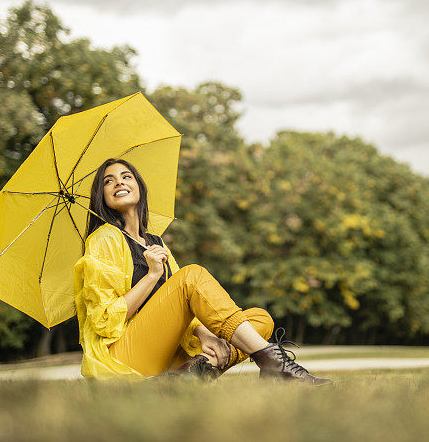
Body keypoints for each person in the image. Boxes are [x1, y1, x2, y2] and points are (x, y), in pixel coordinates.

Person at [73, 157, 331, 385]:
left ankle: (185, 376)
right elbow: (103, 321)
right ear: (102, 196)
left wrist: (204, 333)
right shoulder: (104, 239)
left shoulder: (156, 243)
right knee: (191, 275)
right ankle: (276, 364)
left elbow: (184, 304)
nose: (119, 182)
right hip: (124, 359)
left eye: (126, 176)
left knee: (260, 319)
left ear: (139, 185)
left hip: (166, 355)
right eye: (109, 181)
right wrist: (152, 276)